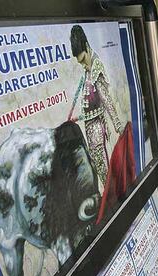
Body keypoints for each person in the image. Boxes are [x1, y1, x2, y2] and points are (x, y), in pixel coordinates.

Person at [68, 25, 124, 184]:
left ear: (86, 47)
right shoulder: (89, 69)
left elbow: (106, 100)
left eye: (83, 59)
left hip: (97, 128)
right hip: (91, 128)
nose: (83, 65)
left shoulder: (96, 67)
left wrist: (118, 125)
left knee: (103, 170)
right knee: (100, 168)